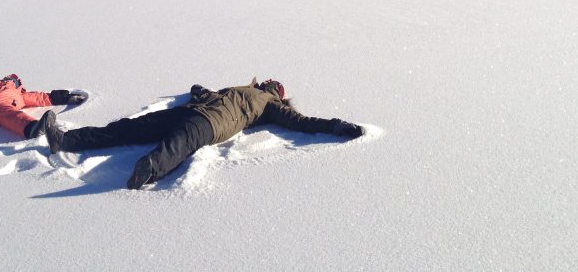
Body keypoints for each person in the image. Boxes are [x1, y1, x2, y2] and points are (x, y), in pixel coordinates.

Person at [42, 78, 363, 189]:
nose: (269, 86)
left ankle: (148, 170)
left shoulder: (271, 105)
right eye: (270, 83)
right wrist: (199, 90)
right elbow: (208, 93)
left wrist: (336, 125)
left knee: (177, 145)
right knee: (129, 128)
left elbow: (304, 123)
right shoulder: (240, 89)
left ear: (278, 94)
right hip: (194, 111)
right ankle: (66, 140)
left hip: (210, 125)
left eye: (274, 87)